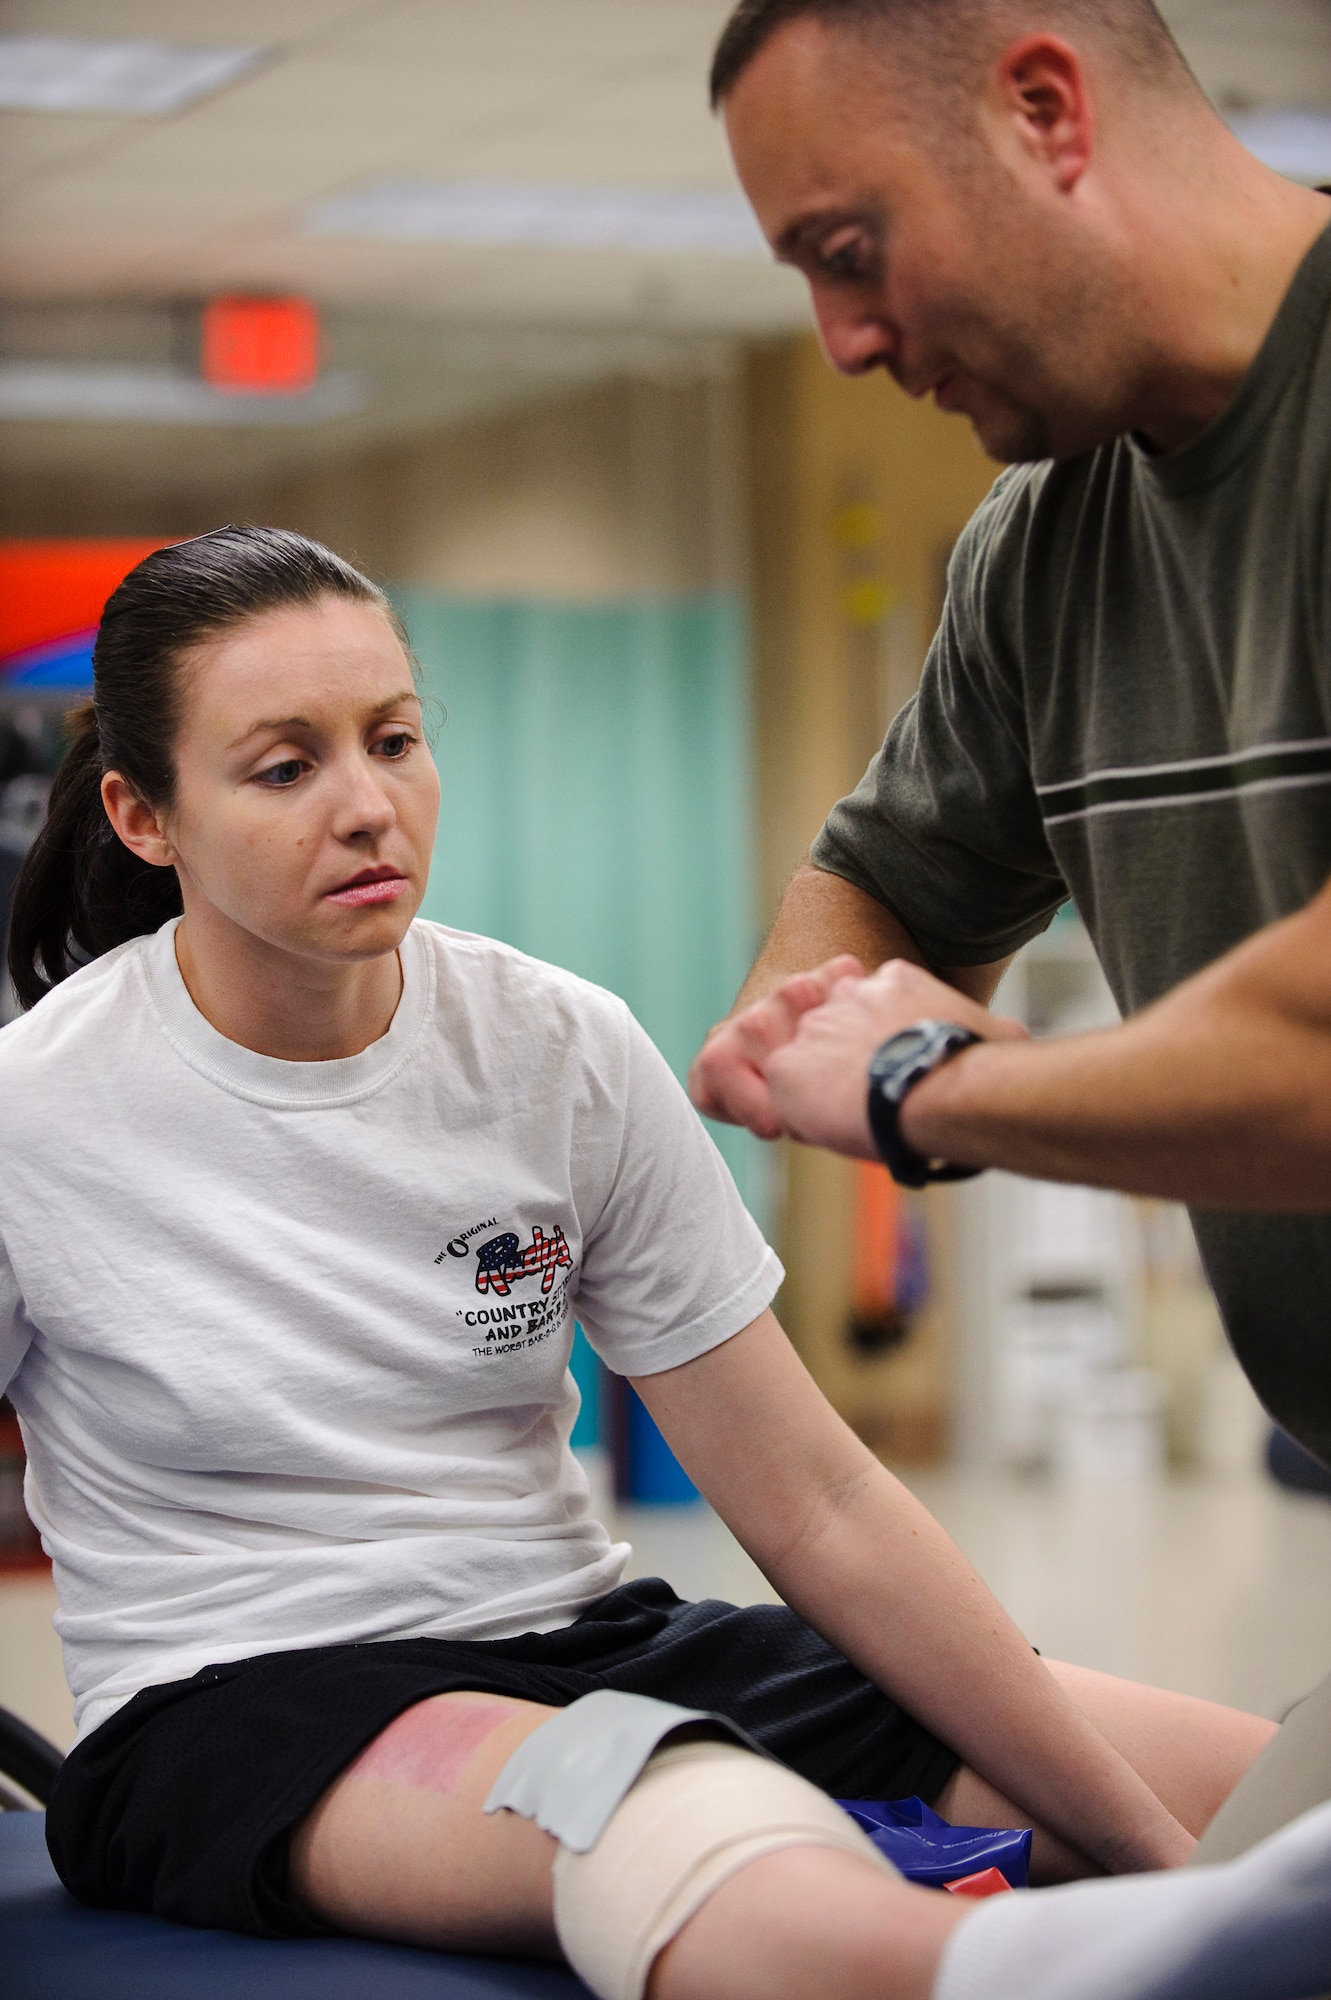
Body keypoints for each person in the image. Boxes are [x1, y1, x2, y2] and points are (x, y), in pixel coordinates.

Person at [0, 526, 1266, 2000]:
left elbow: (821, 1495)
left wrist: (1143, 1835)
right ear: (143, 817)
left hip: (591, 1644)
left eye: (394, 740)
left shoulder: (557, 1044)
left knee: (1264, 1791)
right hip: (239, 1712)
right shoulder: (37, 1111)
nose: (369, 807)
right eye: (285, 769)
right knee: (678, 1818)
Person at [689, 0, 1331, 1885]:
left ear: (1045, 109)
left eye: (851, 251)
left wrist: (923, 1080)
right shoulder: (1040, 552)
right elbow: (879, 875)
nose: (848, 337)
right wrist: (816, 1016)